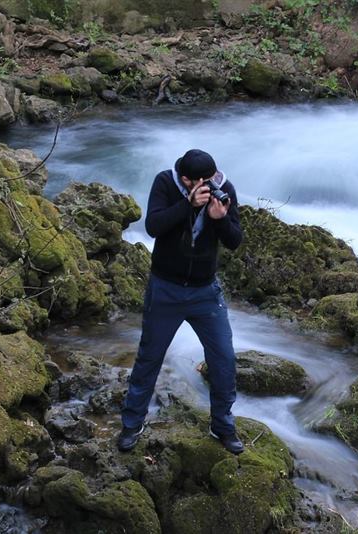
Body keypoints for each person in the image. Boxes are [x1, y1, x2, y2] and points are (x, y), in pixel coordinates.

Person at [118, 149, 245, 454]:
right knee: (149, 358)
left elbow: (234, 240)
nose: (209, 185)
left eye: (213, 179)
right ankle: (132, 424)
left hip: (205, 291)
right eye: (201, 182)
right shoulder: (165, 183)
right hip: (166, 289)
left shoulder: (224, 188)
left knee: (224, 360)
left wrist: (219, 219)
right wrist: (187, 206)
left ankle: (223, 426)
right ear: (186, 180)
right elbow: (154, 226)